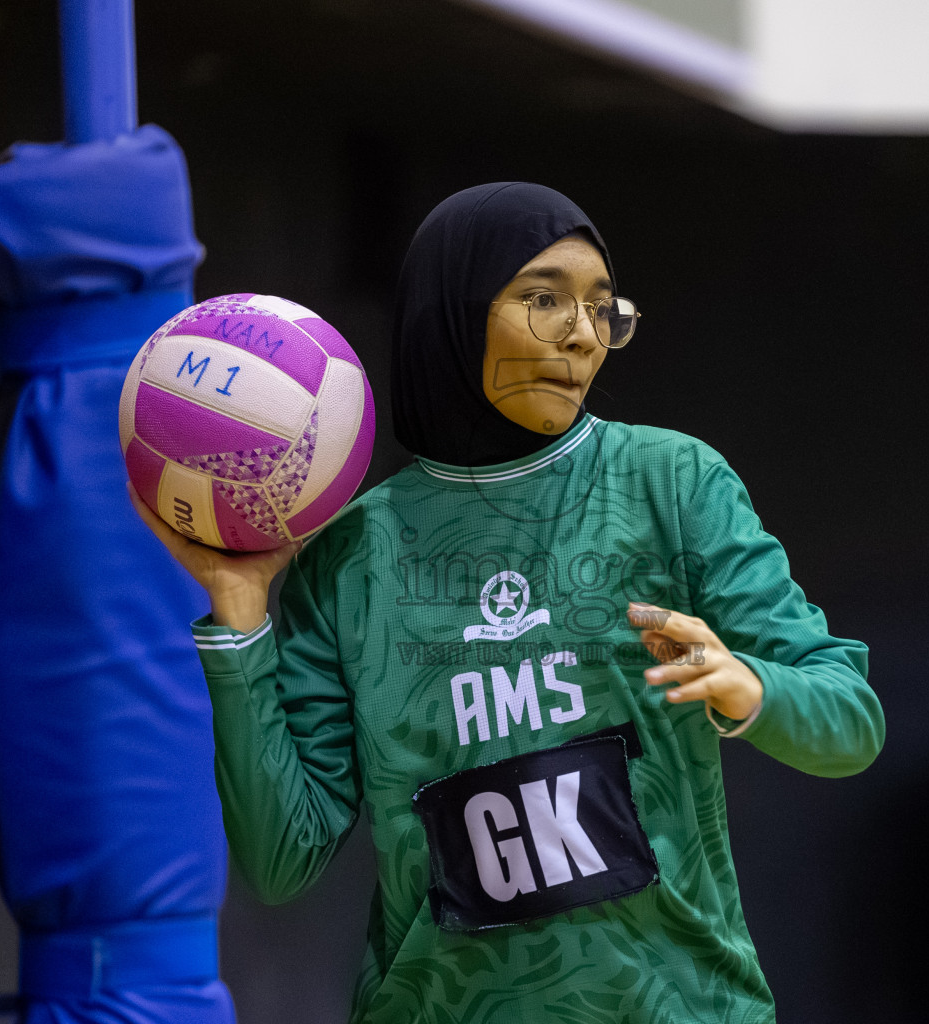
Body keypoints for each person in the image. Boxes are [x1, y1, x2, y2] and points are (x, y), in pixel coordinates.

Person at [130, 182, 884, 1023]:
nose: (583, 334)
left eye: (604, 309)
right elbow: (282, 859)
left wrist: (752, 690)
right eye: (543, 299)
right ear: (452, 313)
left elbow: (851, 722)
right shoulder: (351, 550)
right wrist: (240, 611)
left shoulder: (673, 483)